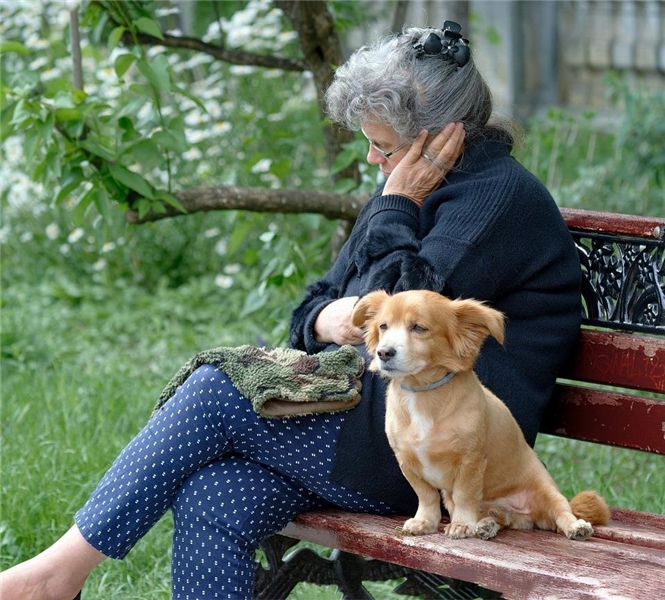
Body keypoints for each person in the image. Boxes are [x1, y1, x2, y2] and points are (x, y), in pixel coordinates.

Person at [0, 21, 581, 600]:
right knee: (213, 497)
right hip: (382, 425)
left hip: (447, 462)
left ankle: (56, 576)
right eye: (368, 143)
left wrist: (396, 209)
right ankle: (56, 577)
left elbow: (402, 311)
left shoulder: (493, 200)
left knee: (215, 389)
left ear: (439, 140)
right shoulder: (406, 192)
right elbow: (314, 308)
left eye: (383, 146)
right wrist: (331, 319)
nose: (375, 160)